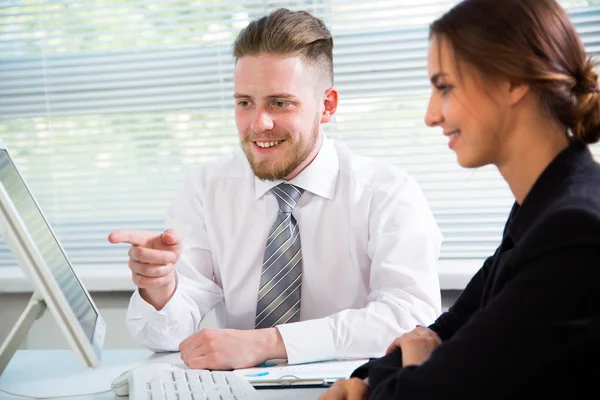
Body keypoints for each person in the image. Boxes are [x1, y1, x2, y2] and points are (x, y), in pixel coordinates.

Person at [108, 8, 443, 370]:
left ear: (326, 105)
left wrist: (270, 343)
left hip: (349, 389)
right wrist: (159, 290)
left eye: (280, 103)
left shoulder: (387, 192)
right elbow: (164, 336)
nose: (258, 124)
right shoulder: (207, 188)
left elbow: (411, 318)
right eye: (244, 103)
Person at [319, 0, 600, 399]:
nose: (431, 115)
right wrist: (369, 380)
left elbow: (436, 388)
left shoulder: (572, 231)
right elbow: (449, 329)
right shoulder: (538, 210)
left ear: (513, 79)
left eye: (445, 87)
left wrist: (398, 378)